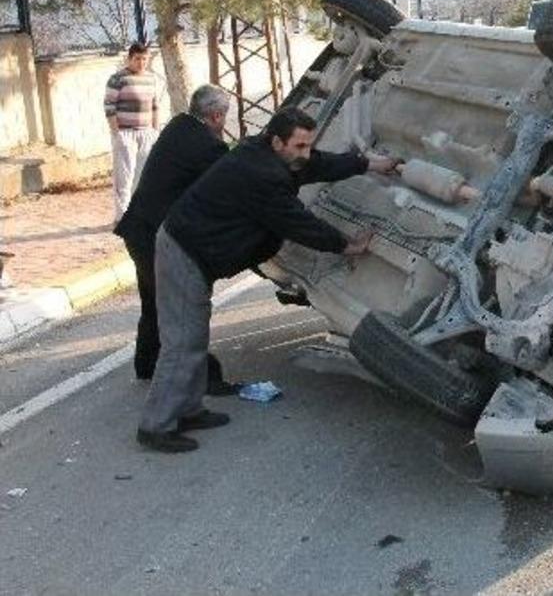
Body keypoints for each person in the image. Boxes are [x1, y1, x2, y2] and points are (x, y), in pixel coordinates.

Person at [136, 107, 399, 453]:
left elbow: (319, 164)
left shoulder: (267, 154)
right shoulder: (261, 175)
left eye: (308, 145)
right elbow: (297, 223)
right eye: (300, 146)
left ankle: (188, 410)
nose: (306, 154)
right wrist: (346, 245)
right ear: (277, 141)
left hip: (193, 249)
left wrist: (369, 165)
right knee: (182, 341)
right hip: (185, 253)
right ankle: (156, 426)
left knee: (193, 337)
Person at [115, 85, 233, 390]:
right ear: (217, 116)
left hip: (137, 229)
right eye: (225, 116)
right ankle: (198, 375)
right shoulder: (209, 147)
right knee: (177, 306)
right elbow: (231, 186)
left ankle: (147, 364)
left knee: (153, 301)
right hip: (155, 237)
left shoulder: (179, 125)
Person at [104, 43, 166, 221]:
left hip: (146, 132)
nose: (141, 63)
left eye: (144, 59)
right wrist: (117, 133)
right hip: (125, 132)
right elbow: (109, 107)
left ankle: (137, 213)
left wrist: (155, 130)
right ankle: (122, 215)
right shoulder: (118, 79)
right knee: (125, 175)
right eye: (137, 59)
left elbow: (155, 106)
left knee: (142, 174)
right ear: (129, 58)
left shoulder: (151, 78)